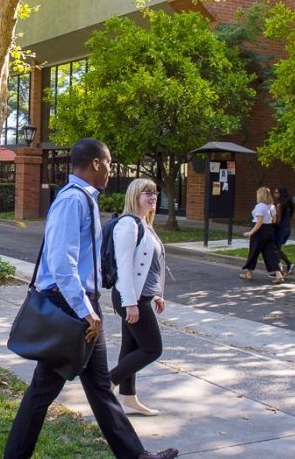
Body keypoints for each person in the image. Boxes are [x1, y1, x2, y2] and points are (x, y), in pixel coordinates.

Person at [4, 138, 178, 459]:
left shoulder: (85, 199)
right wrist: (85, 309)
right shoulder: (73, 200)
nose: (111, 169)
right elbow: (60, 262)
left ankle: (136, 456)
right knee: (43, 391)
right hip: (72, 308)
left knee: (100, 389)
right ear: (96, 163)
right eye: (109, 162)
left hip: (83, 307)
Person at [109, 178, 168, 417]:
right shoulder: (127, 225)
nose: (153, 197)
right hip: (129, 297)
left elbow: (151, 266)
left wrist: (157, 294)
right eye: (147, 193)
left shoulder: (145, 224)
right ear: (135, 196)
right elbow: (124, 267)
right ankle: (106, 383)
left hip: (142, 296)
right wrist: (130, 303)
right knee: (152, 348)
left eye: (154, 193)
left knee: (130, 347)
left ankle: (129, 397)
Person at [239, 186, 284, 284]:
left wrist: (251, 232)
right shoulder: (271, 206)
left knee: (254, 251)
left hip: (260, 230)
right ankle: (278, 274)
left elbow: (259, 222)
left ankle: (248, 273)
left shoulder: (259, 206)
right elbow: (274, 220)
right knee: (271, 253)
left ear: (260, 195)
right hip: (269, 229)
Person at [272, 187, 295, 275]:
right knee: (277, 249)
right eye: (274, 192)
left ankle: (282, 268)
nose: (274, 194)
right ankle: (286, 266)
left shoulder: (279, 205)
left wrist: (270, 222)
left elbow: (278, 221)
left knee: (275, 249)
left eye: (276, 193)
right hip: (287, 229)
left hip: (280, 230)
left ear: (281, 194)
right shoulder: (289, 204)